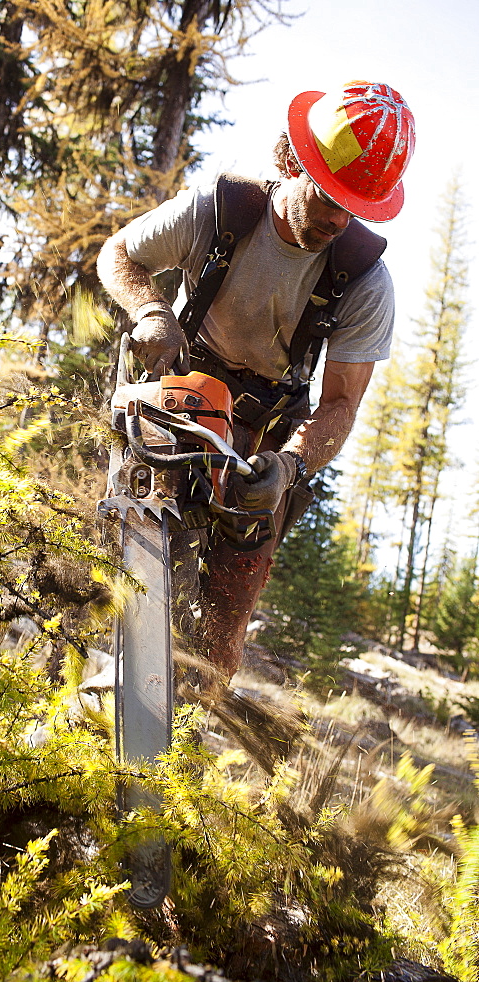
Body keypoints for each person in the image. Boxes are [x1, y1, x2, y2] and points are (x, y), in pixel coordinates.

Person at [97, 81, 415, 679]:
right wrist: (152, 311)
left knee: (224, 623)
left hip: (269, 433)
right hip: (182, 394)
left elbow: (342, 402)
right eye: (326, 197)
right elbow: (118, 254)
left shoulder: (365, 278)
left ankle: (188, 731)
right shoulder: (220, 212)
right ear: (293, 162)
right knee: (154, 544)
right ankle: (106, 671)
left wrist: (291, 465)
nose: (334, 220)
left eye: (351, 208)